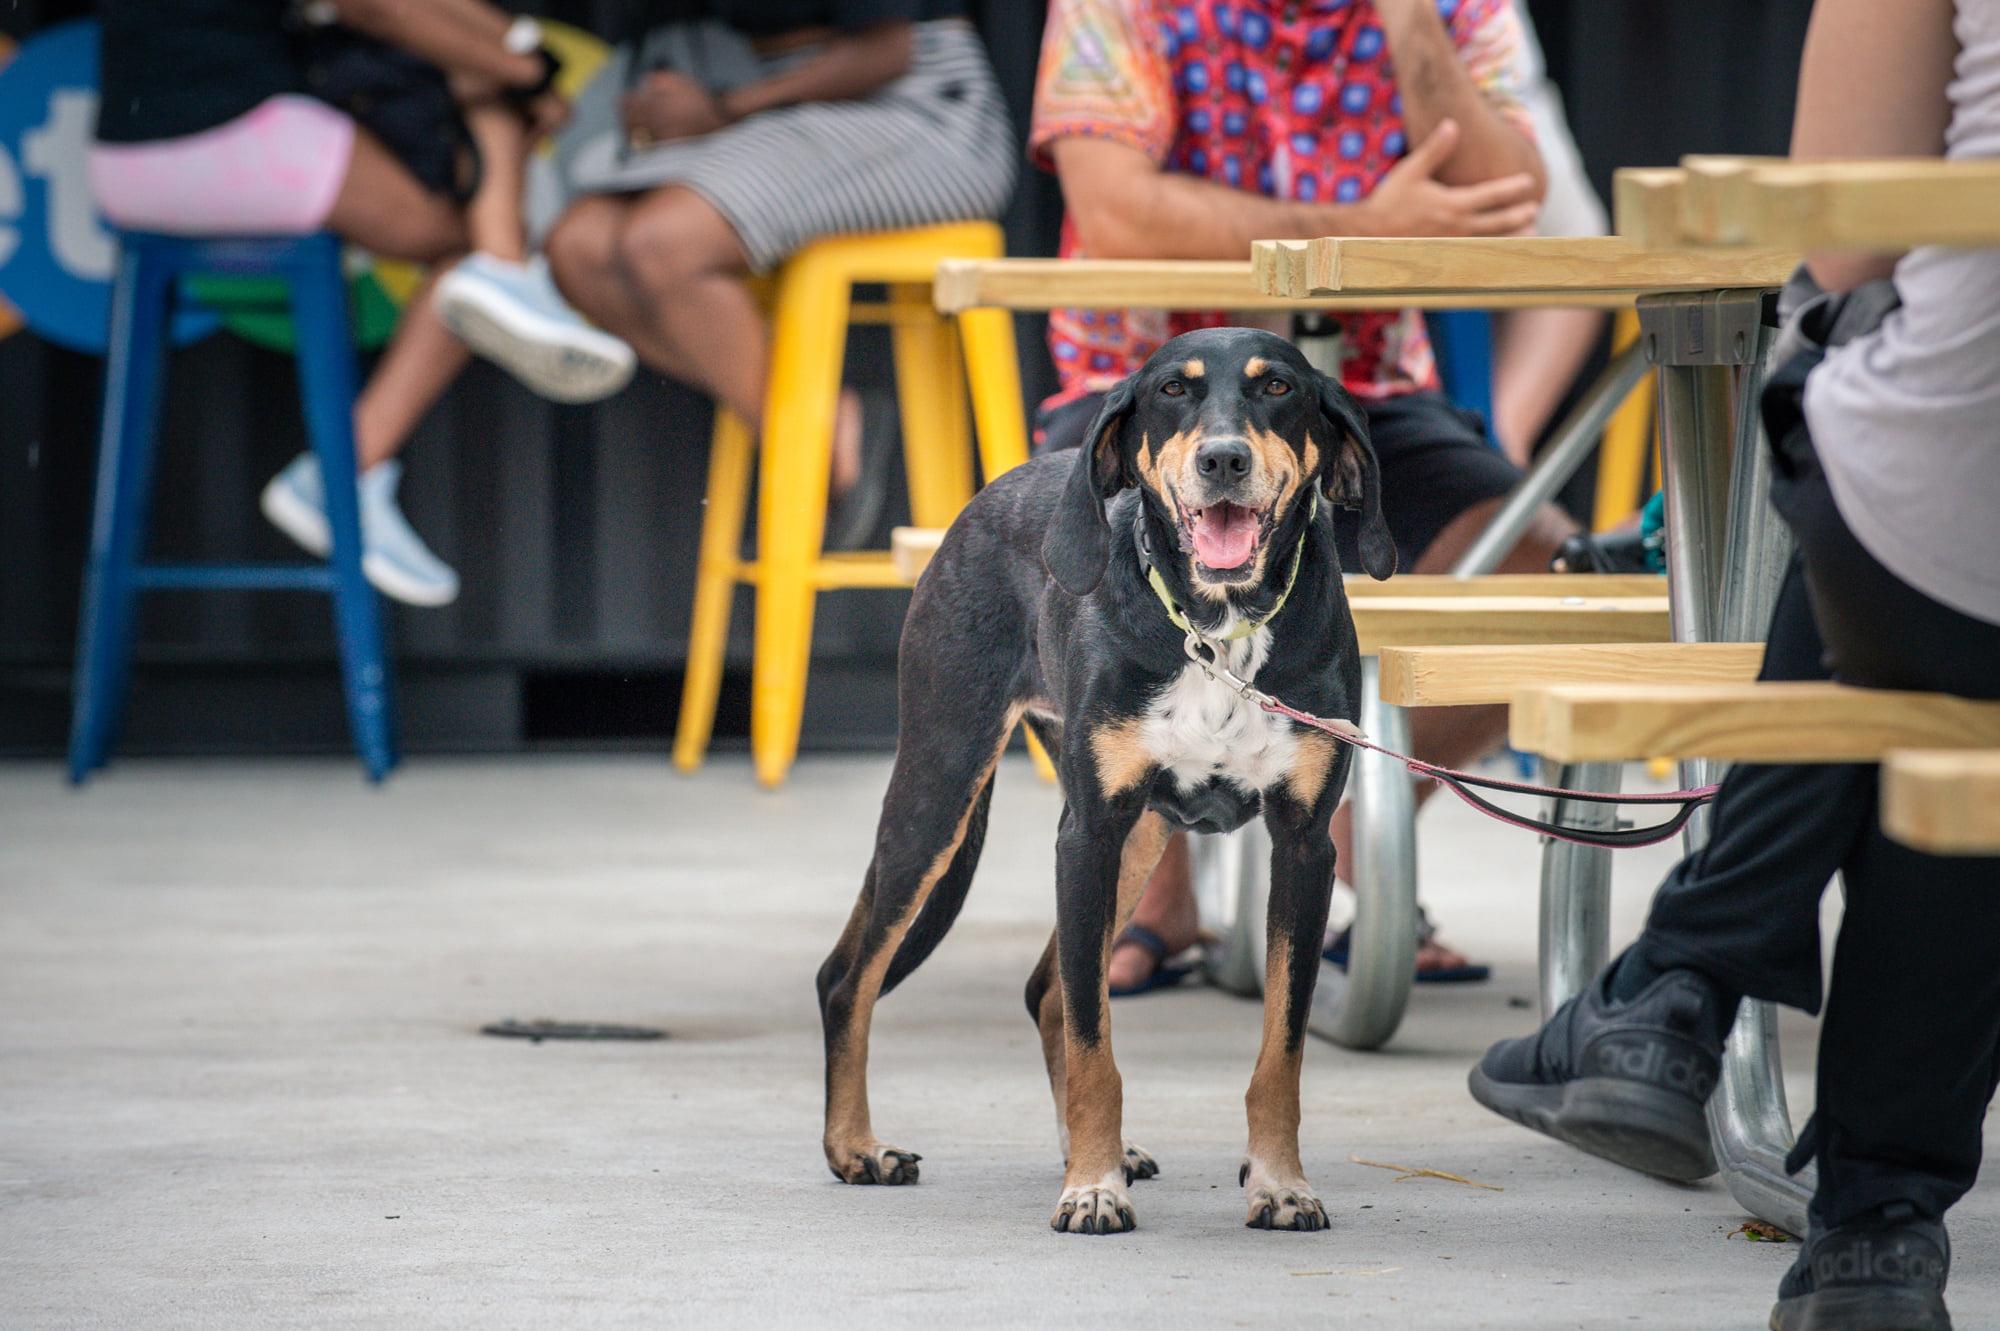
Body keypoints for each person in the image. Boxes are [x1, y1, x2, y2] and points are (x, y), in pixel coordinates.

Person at [1469, 1, 2000, 1326]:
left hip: (1945, 514)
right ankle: (1864, 1195)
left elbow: (1845, 226)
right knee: (1951, 704)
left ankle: (1684, 997)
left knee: (1915, 537)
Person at [1028, 0, 1578, 993]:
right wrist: (1363, 230)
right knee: (1093, 561)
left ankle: (1346, 825)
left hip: (1352, 388)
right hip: (1153, 377)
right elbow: (1114, 208)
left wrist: (1411, 19)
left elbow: (1504, 193)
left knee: (1548, 570)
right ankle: (1157, 880)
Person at [90, 0, 634, 609]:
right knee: (466, 228)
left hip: (122, 166)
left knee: (480, 85)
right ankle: (493, 278)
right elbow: (377, 8)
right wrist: (523, 74)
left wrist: (517, 47)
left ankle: (492, 285)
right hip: (231, 138)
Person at [541, 2, 1017, 506]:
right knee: (579, 248)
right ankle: (824, 426)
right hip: (747, 95)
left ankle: (807, 459)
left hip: (914, 105)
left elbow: (891, 48)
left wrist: (726, 109)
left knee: (663, 245)